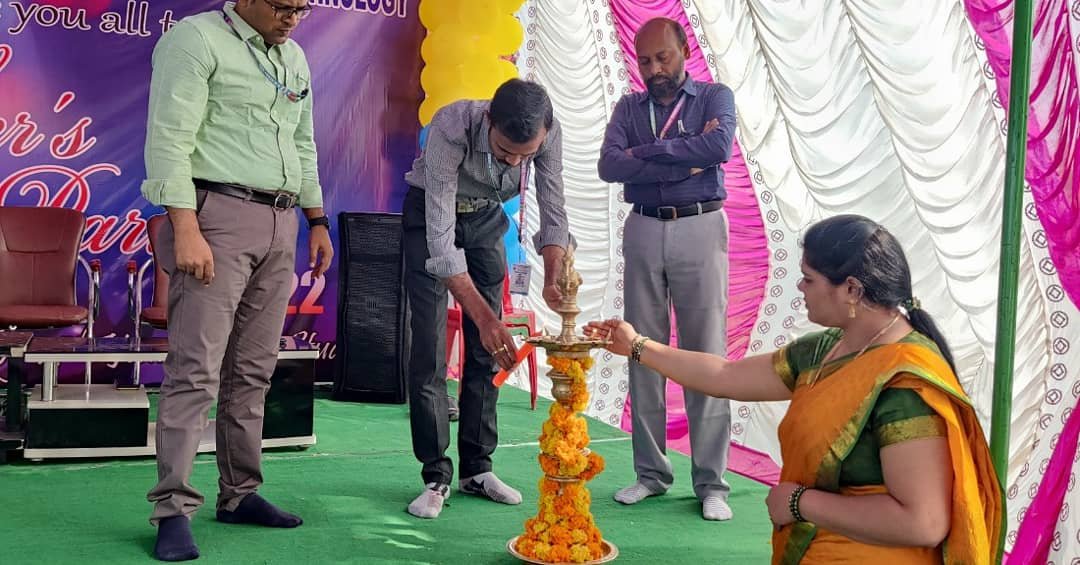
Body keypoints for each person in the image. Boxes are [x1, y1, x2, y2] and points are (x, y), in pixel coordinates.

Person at [586, 215, 1003, 564]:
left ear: (852, 290)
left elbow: (923, 522)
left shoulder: (903, 385)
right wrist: (637, 346)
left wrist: (799, 503)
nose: (800, 289)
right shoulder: (829, 348)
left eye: (808, 279)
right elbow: (725, 376)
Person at [140, 0, 332, 561]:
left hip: (282, 220)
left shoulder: (294, 57)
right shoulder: (195, 40)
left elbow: (303, 143)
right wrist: (185, 227)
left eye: (302, 8)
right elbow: (169, 139)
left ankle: (240, 492)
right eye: (282, 6)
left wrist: (317, 220)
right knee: (195, 371)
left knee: (253, 369)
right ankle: (173, 509)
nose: (292, 18)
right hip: (216, 216)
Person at [401, 79, 574, 519]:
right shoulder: (451, 126)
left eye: (523, 156)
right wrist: (483, 316)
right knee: (429, 348)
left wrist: (554, 271)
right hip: (430, 215)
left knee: (489, 351)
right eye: (503, 151)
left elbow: (554, 207)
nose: (514, 162)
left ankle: (477, 469)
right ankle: (435, 475)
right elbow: (441, 244)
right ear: (488, 121)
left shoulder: (549, 132)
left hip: (485, 219)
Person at [597, 17, 737, 520]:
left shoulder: (715, 97)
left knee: (706, 354)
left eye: (663, 57)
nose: (654, 69)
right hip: (643, 226)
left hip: (701, 224)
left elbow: (718, 148)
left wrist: (647, 153)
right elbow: (609, 165)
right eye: (645, 61)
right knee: (642, 350)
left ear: (685, 51)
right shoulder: (628, 108)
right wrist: (681, 155)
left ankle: (712, 483)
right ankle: (651, 474)